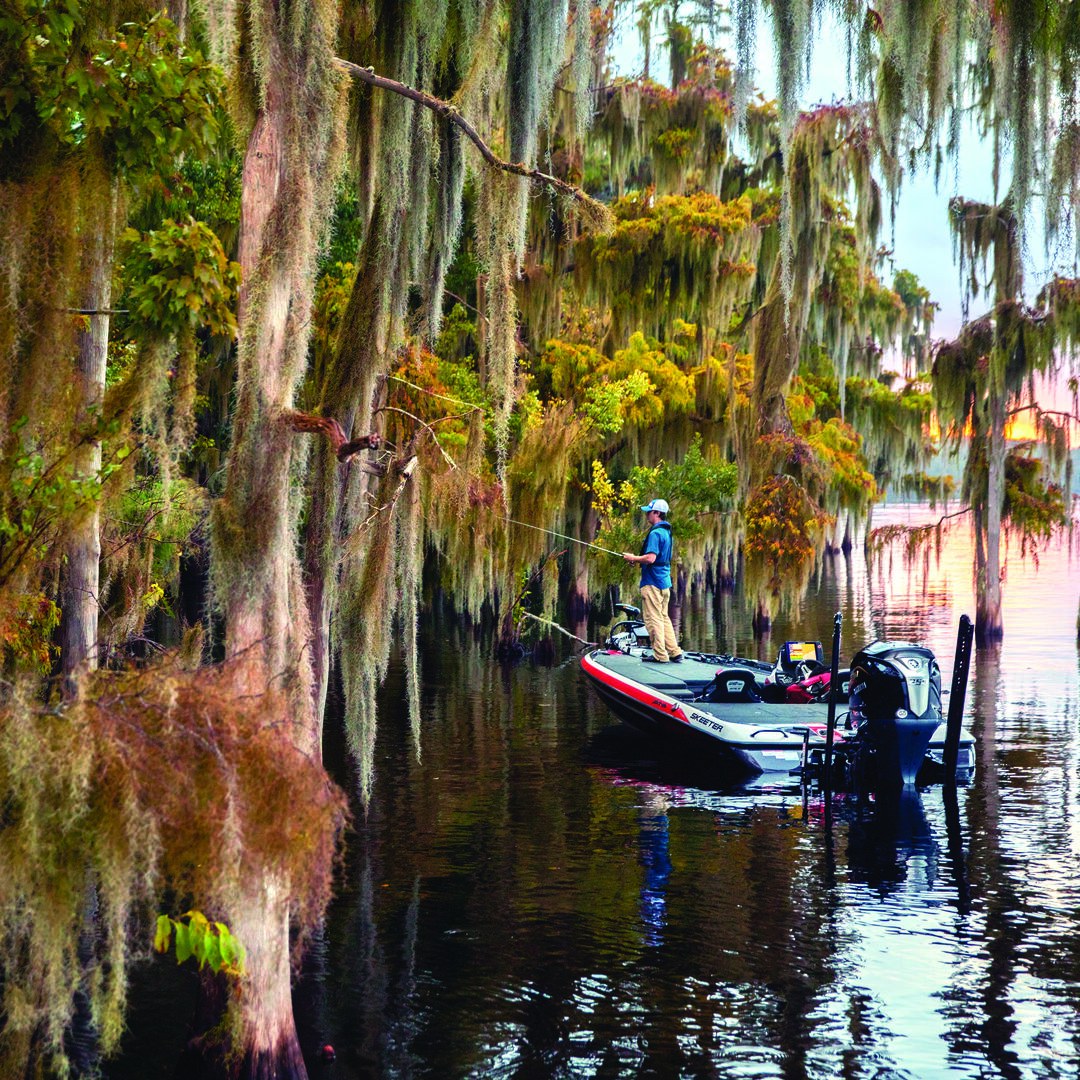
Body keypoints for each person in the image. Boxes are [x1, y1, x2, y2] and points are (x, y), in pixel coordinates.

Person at [622, 498, 683, 663]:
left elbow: (650, 558)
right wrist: (636, 559)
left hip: (653, 583)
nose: (647, 514)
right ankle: (675, 652)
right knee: (663, 617)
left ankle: (660, 655)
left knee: (652, 619)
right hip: (664, 583)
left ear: (657, 513)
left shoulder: (656, 533)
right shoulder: (666, 532)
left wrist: (633, 557)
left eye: (649, 511)